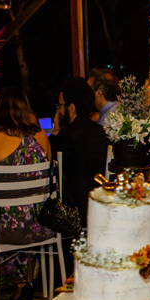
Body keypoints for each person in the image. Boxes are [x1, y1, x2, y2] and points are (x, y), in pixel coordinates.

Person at [0, 87, 53, 300]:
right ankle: (23, 282)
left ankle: (12, 284)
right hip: (43, 223)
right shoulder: (40, 135)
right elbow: (46, 172)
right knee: (22, 216)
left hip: (4, 229)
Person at [50, 77, 109, 225]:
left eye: (60, 106)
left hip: (76, 213)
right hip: (102, 206)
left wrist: (56, 130)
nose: (59, 110)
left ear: (71, 108)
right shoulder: (101, 132)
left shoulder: (66, 137)